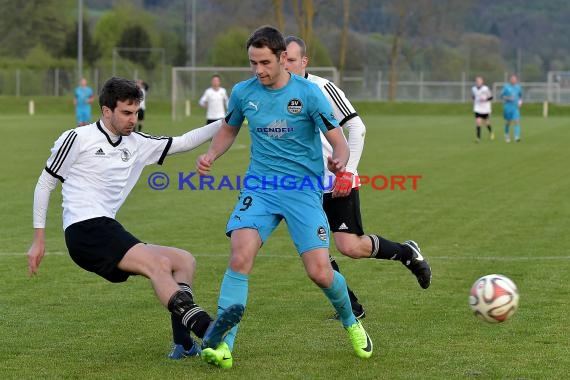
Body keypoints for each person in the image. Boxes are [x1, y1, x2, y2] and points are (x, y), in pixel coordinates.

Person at [26, 76, 243, 361]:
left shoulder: (137, 142)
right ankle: (206, 327)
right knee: (158, 265)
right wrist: (38, 238)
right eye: (126, 113)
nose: (133, 119)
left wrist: (233, 117)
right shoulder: (77, 138)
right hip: (85, 231)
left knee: (184, 261)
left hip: (107, 228)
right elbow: (45, 183)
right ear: (106, 111)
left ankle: (184, 345)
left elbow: (184, 142)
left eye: (136, 112)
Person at [195, 26, 373, 369]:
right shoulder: (243, 92)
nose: (258, 70)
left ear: (281, 58)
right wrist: (211, 155)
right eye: (252, 63)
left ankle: (351, 321)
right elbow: (229, 129)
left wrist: (340, 160)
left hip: (302, 191)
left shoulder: (308, 94)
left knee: (320, 272)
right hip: (259, 188)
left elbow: (339, 139)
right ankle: (223, 345)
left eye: (265, 62)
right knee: (240, 256)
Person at [284, 36, 432, 320]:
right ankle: (350, 307)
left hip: (336, 180)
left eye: (291, 60)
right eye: (282, 60)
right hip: (301, 187)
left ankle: (407, 253)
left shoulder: (323, 89)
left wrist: (347, 172)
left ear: (304, 61)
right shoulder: (277, 93)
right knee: (313, 250)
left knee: (350, 246)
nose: (286, 65)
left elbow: (357, 127)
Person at [500, 74, 523, 143]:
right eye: (512, 79)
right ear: (510, 80)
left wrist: (520, 103)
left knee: (517, 121)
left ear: (516, 80)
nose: (513, 80)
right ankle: (507, 135)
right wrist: (508, 98)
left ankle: (517, 137)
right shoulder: (506, 87)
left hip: (515, 107)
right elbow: (501, 96)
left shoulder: (518, 87)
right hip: (507, 107)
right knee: (508, 122)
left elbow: (520, 96)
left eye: (514, 79)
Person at [471, 76, 495, 142]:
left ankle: (491, 132)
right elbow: (473, 96)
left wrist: (485, 99)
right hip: (477, 108)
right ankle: (478, 138)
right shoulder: (473, 89)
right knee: (478, 122)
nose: (478, 82)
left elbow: (491, 97)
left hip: (485, 108)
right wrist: (474, 100)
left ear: (482, 82)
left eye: (479, 81)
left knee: (486, 122)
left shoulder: (486, 88)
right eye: (477, 81)